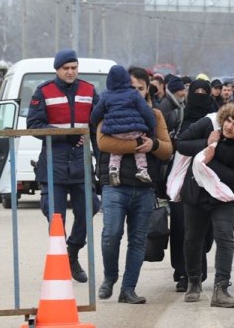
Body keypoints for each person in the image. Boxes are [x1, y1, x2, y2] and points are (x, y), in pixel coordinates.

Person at [96, 65, 172, 304]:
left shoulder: (156, 115)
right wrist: (141, 143)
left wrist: (155, 146)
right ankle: (110, 277)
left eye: (140, 88)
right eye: (132, 87)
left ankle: (128, 289)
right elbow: (103, 143)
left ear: (147, 89)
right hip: (114, 185)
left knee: (138, 240)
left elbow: (167, 150)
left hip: (144, 186)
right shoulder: (110, 108)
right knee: (111, 234)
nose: (136, 92)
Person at [177, 100, 234, 308]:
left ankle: (221, 289)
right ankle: (193, 282)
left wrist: (210, 158)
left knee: (225, 238)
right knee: (193, 239)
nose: (229, 126)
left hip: (225, 196)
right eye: (229, 120)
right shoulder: (208, 125)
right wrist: (206, 143)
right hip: (196, 191)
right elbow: (180, 143)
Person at [27, 49, 101, 283]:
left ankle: (72, 252)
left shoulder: (89, 90)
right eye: (65, 68)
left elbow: (97, 127)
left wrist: (102, 161)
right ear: (57, 69)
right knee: (54, 215)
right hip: (53, 165)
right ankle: (59, 263)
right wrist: (63, 135)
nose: (70, 72)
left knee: (89, 208)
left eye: (74, 67)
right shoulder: (44, 91)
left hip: (81, 164)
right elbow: (33, 125)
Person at [168, 79, 215, 293]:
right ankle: (184, 272)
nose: (200, 94)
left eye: (204, 91)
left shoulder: (216, 119)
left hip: (208, 180)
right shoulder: (178, 118)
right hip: (182, 181)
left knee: (205, 232)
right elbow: (176, 145)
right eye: (196, 91)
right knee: (181, 228)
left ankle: (198, 269)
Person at [90, 65, 156, 185]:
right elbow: (146, 111)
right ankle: (142, 170)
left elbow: (96, 114)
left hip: (115, 132)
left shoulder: (106, 96)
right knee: (139, 149)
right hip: (135, 131)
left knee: (116, 149)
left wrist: (95, 123)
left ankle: (114, 168)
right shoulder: (134, 95)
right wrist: (151, 128)